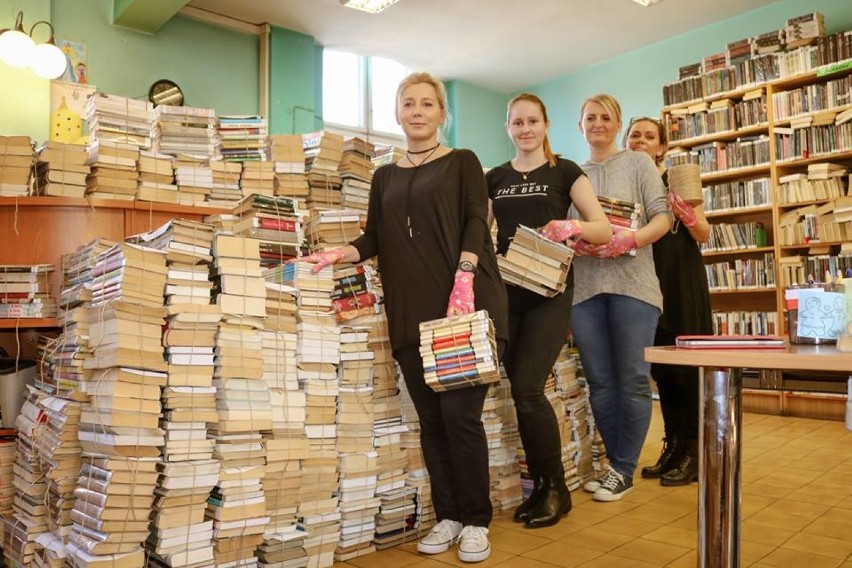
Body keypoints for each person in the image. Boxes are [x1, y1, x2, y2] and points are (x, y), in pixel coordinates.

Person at [297, 72, 508, 563]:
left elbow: (478, 218)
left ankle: (476, 521)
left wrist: (466, 275)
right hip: (410, 313)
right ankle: (449, 516)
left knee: (461, 418)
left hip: (461, 307)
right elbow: (375, 238)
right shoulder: (384, 176)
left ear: (441, 113)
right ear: (397, 113)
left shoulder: (462, 162)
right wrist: (337, 255)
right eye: (408, 103)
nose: (417, 111)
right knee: (432, 423)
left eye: (427, 104)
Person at [486, 93, 611, 528]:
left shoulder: (565, 172)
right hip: (507, 295)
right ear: (508, 127)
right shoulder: (494, 177)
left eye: (532, 121)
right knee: (520, 393)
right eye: (517, 122)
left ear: (546, 124)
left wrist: (570, 226)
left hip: (549, 295)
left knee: (528, 389)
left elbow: (603, 226)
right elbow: (481, 231)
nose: (525, 129)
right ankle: (541, 486)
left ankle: (555, 488)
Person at [569, 94, 671, 502]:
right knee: (599, 382)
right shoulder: (571, 173)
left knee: (631, 379)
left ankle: (624, 467)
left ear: (617, 124)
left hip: (634, 286)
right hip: (586, 289)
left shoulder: (638, 162)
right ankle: (615, 464)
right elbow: (568, 228)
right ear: (580, 126)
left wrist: (632, 238)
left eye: (605, 117)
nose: (597, 123)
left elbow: (662, 217)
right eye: (589, 117)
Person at [625, 116, 712, 486]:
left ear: (661, 147)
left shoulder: (674, 179)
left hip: (681, 282)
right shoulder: (624, 186)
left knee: (686, 370)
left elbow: (704, 234)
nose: (641, 141)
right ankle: (674, 445)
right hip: (644, 285)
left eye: (649, 136)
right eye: (635, 135)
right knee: (661, 370)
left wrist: (688, 215)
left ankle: (693, 452)